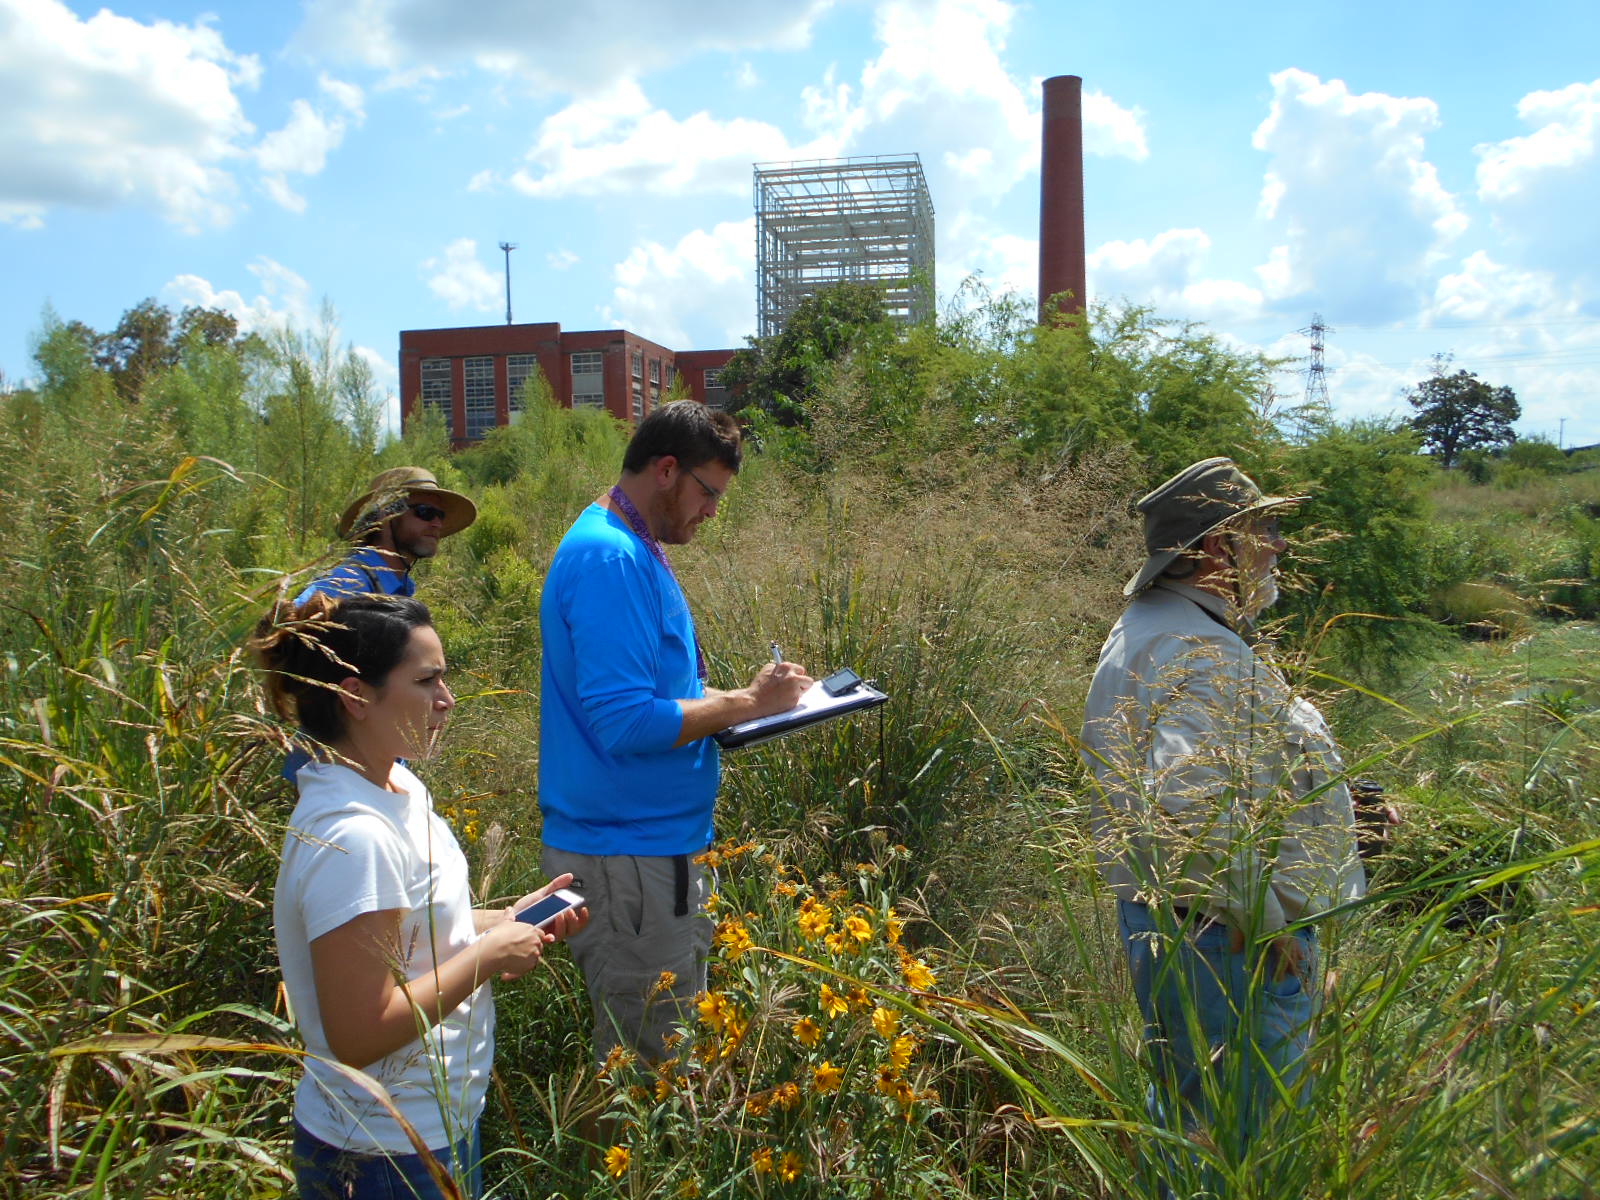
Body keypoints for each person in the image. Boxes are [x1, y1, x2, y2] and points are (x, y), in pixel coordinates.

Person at [1079, 457, 1365, 1182]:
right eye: (1263, 528)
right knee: (1240, 1159)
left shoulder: (1164, 626)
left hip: (1188, 931)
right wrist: (1270, 927)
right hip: (1227, 943)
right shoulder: (1197, 647)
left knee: (1190, 1140)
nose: (1278, 545)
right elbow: (1191, 808)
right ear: (1214, 549)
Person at [253, 593, 586, 1199]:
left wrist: (504, 920)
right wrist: (489, 956)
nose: (447, 700)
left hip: (435, 1123)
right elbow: (358, 1032)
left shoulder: (398, 784)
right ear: (356, 697)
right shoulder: (353, 837)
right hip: (381, 1151)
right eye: (427, 680)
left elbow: (409, 932)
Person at [537, 402, 812, 1064]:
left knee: (662, 1050)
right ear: (667, 470)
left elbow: (664, 697)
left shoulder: (634, 547)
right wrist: (747, 702)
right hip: (628, 862)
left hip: (649, 853)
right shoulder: (611, 558)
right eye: (708, 493)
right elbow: (626, 720)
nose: (713, 512)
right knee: (647, 1066)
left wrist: (751, 700)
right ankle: (628, 1175)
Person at [297, 467, 477, 603]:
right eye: (425, 512)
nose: (437, 523)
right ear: (386, 516)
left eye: (441, 515)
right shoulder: (349, 582)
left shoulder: (402, 586)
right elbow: (285, 627)